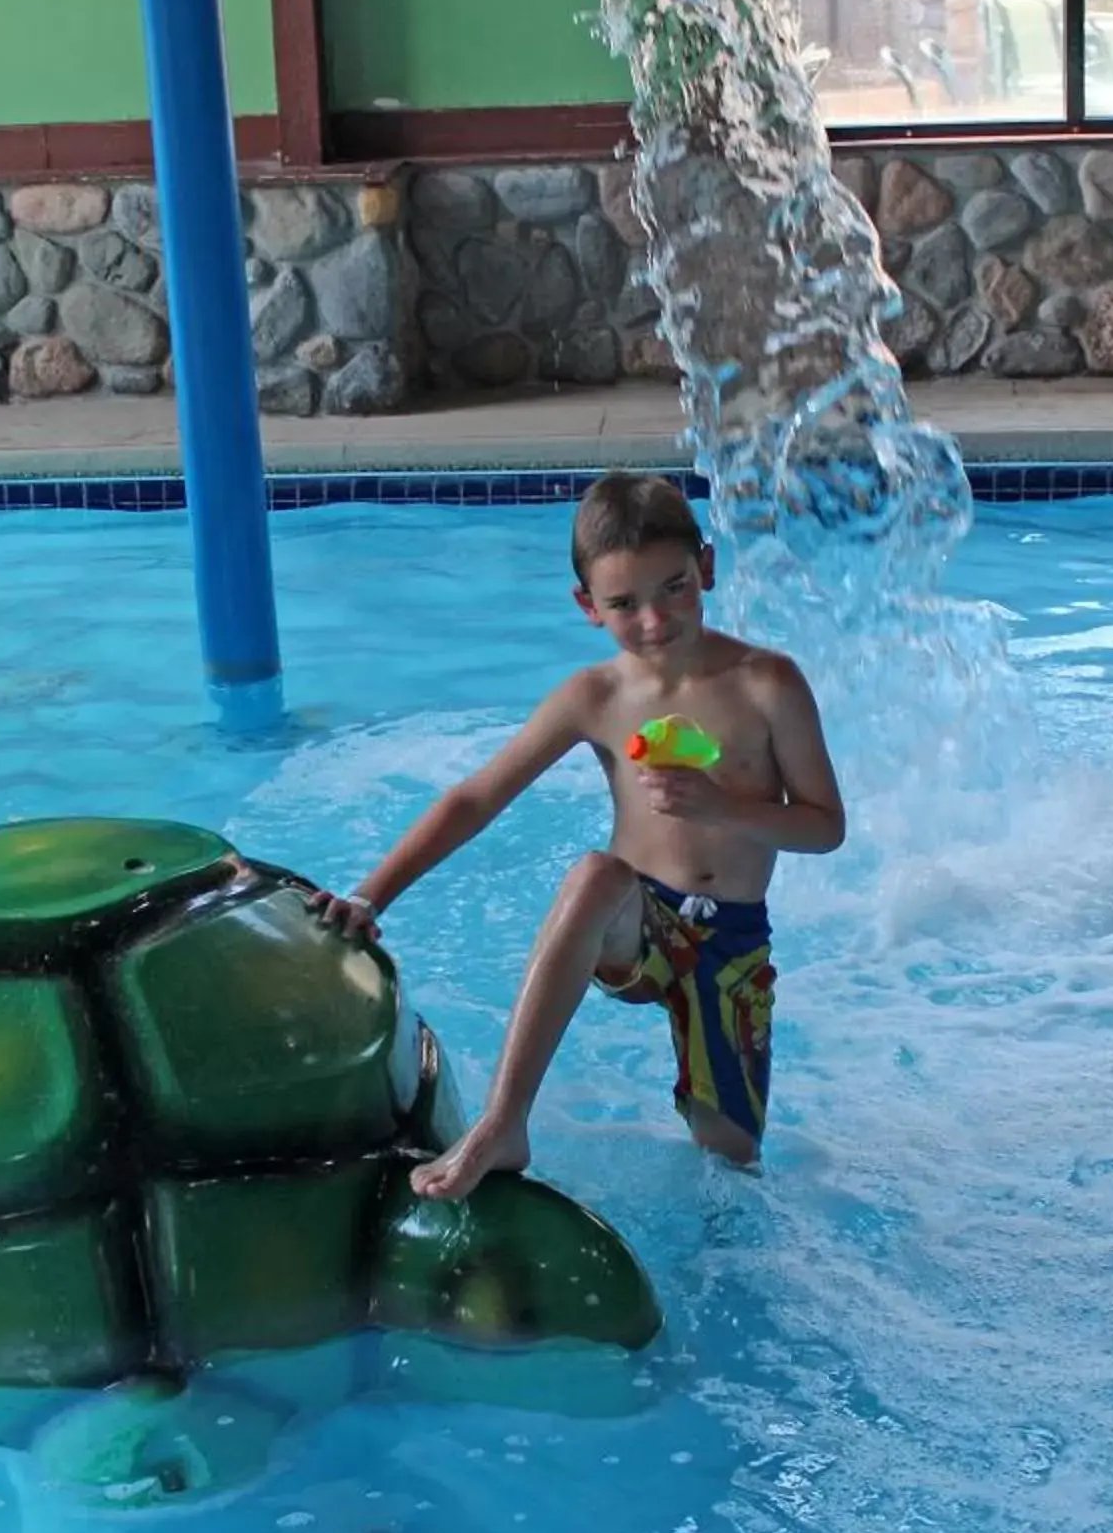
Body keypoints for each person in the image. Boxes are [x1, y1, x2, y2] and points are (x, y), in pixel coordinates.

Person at [310, 472, 846, 1200]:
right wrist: (372, 893)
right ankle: (505, 1122)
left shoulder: (768, 685)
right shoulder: (595, 697)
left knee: (732, 1161)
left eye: (674, 588)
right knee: (595, 874)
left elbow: (824, 828)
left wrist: (722, 807)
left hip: (732, 944)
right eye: (625, 603)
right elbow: (474, 799)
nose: (654, 620)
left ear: (708, 570)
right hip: (637, 922)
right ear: (588, 607)